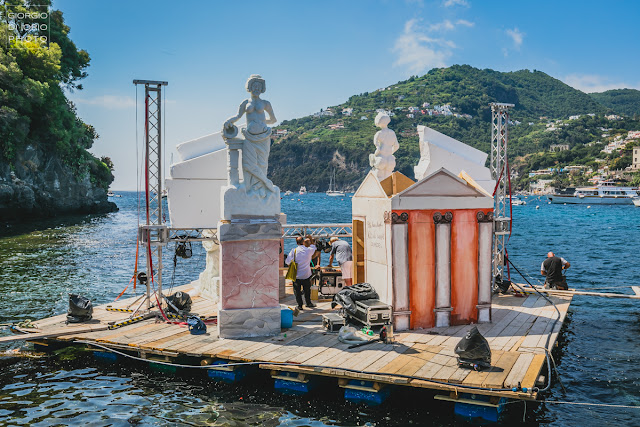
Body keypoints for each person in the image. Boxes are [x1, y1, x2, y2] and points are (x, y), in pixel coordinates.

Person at [285, 236, 317, 310]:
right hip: (306, 273)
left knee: (297, 291)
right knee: (307, 290)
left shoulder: (294, 250)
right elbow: (314, 245)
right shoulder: (309, 250)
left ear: (296, 243)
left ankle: (300, 305)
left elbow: (287, 261)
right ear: (303, 242)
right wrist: (310, 239)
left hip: (296, 275)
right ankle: (308, 303)